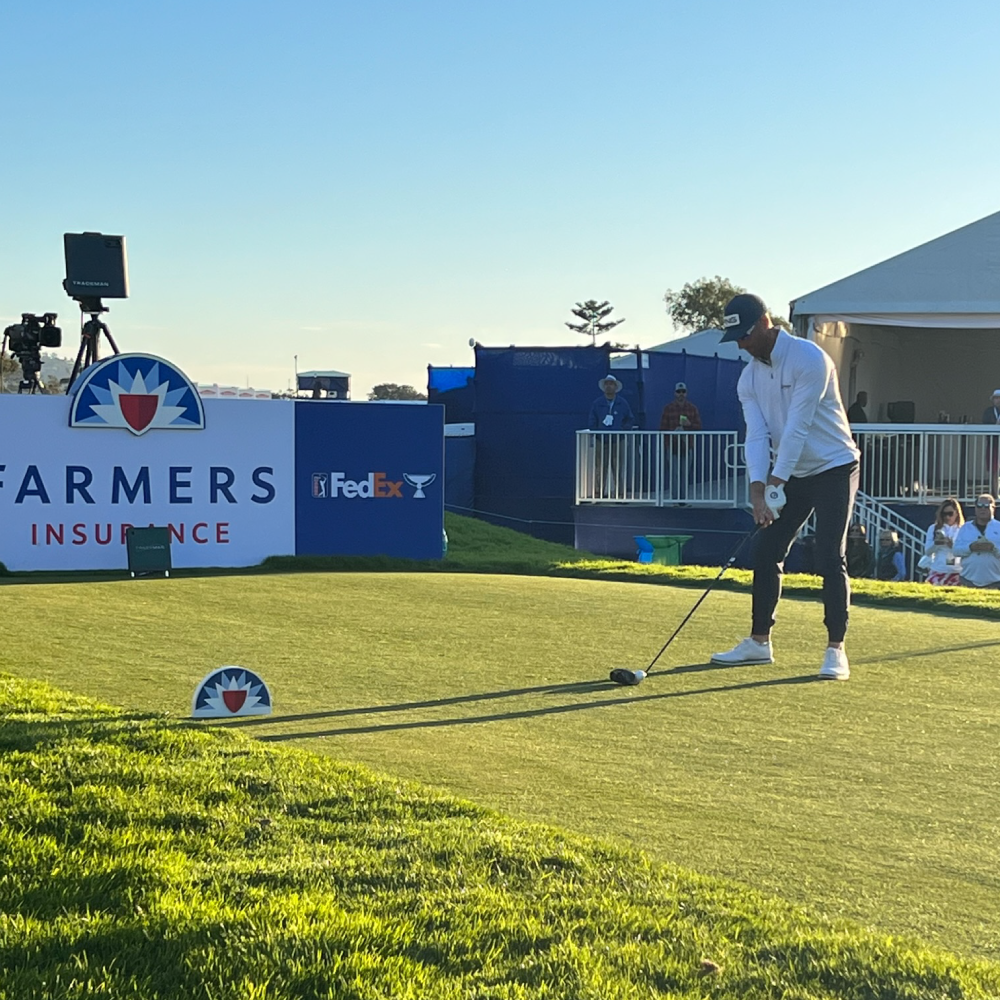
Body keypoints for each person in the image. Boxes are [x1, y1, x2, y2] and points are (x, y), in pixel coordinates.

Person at [710, 293, 860, 681]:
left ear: (764, 322)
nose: (741, 345)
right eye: (735, 340)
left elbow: (798, 427)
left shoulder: (809, 359)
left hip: (834, 466)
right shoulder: (749, 377)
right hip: (792, 473)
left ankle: (836, 650)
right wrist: (758, 491)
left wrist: (776, 481)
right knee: (767, 548)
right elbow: (758, 435)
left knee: (829, 553)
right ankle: (759, 642)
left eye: (745, 335)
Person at [588, 374, 634, 498]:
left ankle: (619, 493)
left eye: (611, 384)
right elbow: (592, 420)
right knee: (600, 467)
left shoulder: (622, 403)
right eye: (606, 384)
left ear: (615, 387)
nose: (608, 386)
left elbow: (630, 419)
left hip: (618, 440)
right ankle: (598, 493)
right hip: (601, 440)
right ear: (604, 387)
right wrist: (597, 431)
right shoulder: (597, 403)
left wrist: (622, 430)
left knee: (618, 467)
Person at [659, 381, 702, 501]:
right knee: (674, 473)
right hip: (672, 446)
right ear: (675, 393)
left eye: (683, 392)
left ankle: (683, 499)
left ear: (686, 393)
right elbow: (662, 428)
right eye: (679, 392)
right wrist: (669, 441)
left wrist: (689, 425)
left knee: (685, 474)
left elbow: (698, 427)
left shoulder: (692, 408)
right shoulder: (668, 409)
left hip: (687, 446)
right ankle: (675, 499)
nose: (681, 394)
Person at [952, 494, 1000, 588]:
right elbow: (955, 550)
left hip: (995, 581)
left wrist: (993, 548)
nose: (983, 509)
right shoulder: (965, 528)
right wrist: (970, 547)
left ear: (993, 508)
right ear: (975, 508)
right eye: (979, 506)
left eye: (986, 506)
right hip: (968, 580)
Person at [921, 497, 963, 586]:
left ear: (957, 513)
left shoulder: (963, 529)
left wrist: (952, 545)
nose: (947, 517)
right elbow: (927, 552)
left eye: (950, 514)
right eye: (944, 514)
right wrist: (936, 543)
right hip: (938, 569)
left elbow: (966, 552)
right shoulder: (933, 528)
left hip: (957, 570)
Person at [980, 390, 1000, 494]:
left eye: (999, 398)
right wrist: (996, 425)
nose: (998, 400)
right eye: (996, 398)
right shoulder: (988, 412)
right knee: (994, 470)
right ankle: (995, 493)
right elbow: (985, 424)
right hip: (994, 444)